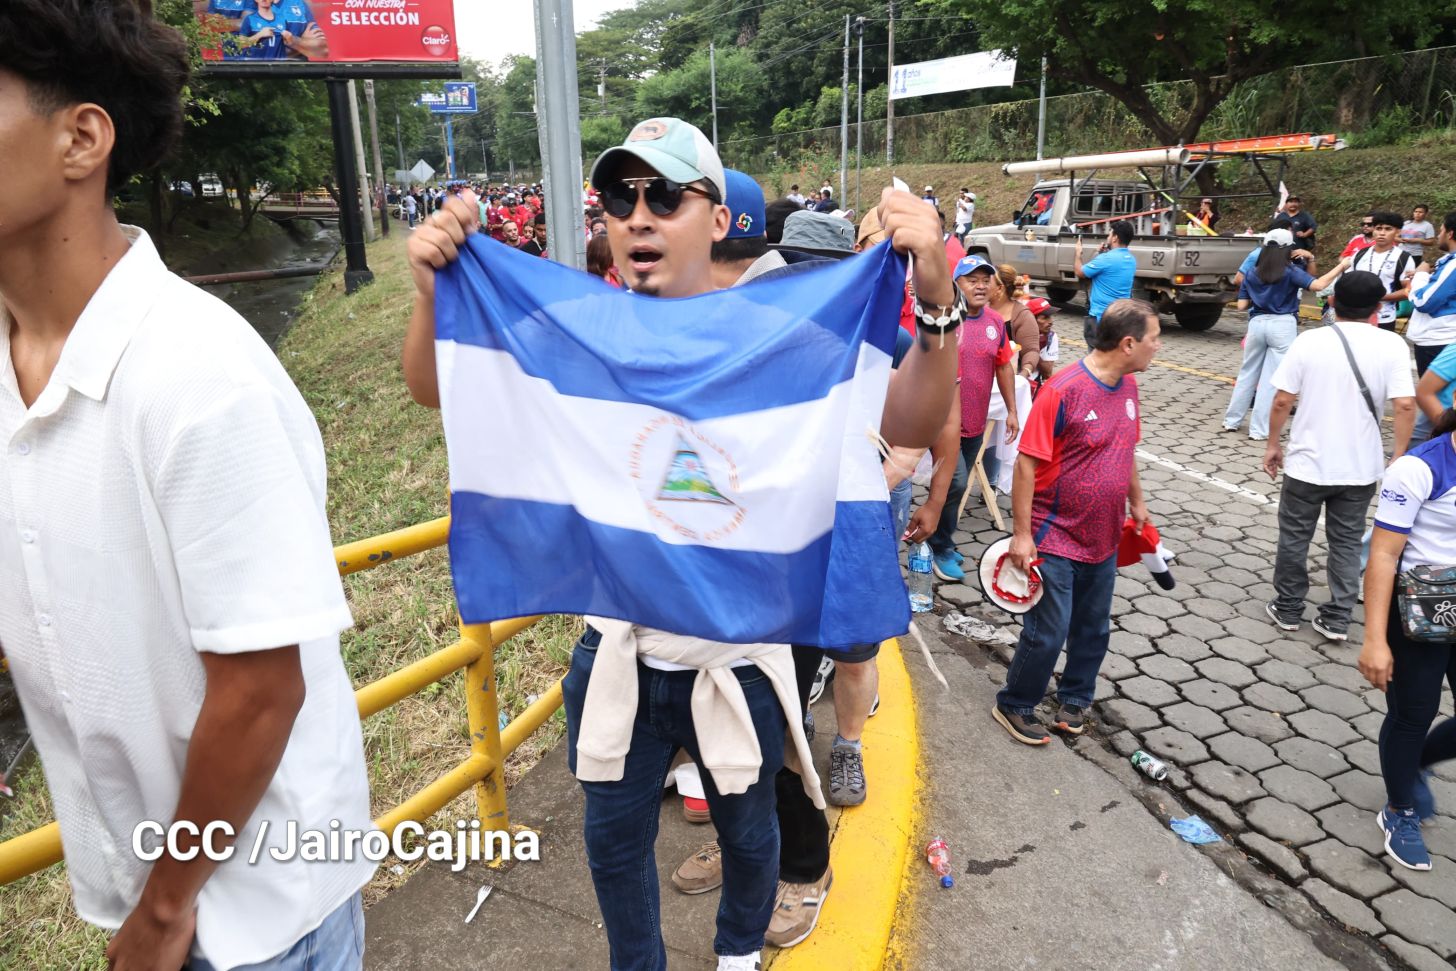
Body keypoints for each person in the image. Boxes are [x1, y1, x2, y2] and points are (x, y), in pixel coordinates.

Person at [401, 118, 958, 971]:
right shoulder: (580, 330)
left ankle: (738, 952)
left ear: (715, 216)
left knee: (751, 830)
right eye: (620, 197)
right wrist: (433, 290)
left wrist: (936, 301)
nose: (638, 215)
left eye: (664, 195)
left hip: (739, 656)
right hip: (618, 653)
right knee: (613, 846)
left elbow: (912, 421)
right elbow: (436, 389)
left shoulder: (789, 334)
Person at [0, 3, 375, 968]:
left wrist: (166, 911)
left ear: (81, 136)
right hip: (141, 889)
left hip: (252, 914)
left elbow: (259, 689)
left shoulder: (200, 375)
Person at [992, 300, 1157, 744]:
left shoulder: (1128, 388)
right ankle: (1016, 703)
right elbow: (1026, 464)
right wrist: (1022, 535)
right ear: (1127, 344)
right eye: (1153, 339)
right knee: (1048, 631)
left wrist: (1137, 503)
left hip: (1102, 536)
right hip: (1055, 533)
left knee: (1093, 627)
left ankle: (1076, 697)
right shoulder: (1063, 389)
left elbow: (1127, 450)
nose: (1156, 348)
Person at [1261, 272, 1417, 641]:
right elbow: (1406, 404)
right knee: (1346, 541)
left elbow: (1283, 399)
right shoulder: (1392, 345)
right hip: (1360, 468)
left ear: (1330, 302)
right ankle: (1337, 616)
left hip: (1306, 464)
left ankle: (1287, 607)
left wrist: (1272, 444)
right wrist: (1399, 453)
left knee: (1295, 536)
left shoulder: (1310, 341)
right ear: (1379, 307)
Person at [1359, 408, 1456, 871]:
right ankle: (1399, 810)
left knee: (1415, 737)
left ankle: (1413, 761)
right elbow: (1383, 554)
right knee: (1413, 714)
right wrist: (1375, 639)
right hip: (1420, 610)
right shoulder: (1419, 468)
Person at [918, 255, 1019, 582]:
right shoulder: (943, 321)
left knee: (955, 488)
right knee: (956, 481)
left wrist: (1013, 411)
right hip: (944, 425)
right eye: (971, 279)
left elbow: (1004, 366)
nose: (980, 285)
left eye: (985, 279)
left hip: (976, 422)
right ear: (955, 284)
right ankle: (938, 547)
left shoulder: (994, 322)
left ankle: (939, 535)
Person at [1223, 229, 1349, 439]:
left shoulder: (1253, 272)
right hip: (1282, 325)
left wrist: (1260, 296)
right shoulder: (1290, 271)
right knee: (1270, 379)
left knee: (1247, 373)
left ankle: (1231, 421)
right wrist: (1341, 266)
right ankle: (1259, 430)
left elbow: (1241, 306)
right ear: (1289, 249)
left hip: (1256, 323)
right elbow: (1318, 285)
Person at [1405, 210, 1456, 441]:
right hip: (1437, 339)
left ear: (1451, 233)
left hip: (1438, 341)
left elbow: (1424, 301)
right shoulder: (1447, 263)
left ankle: (1432, 449)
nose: (1439, 235)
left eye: (1442, 230)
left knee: (1435, 401)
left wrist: (1420, 277)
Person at [1347, 211, 1416, 331]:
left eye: (1388, 229)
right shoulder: (1360, 254)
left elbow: (1409, 290)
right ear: (1373, 230)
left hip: (1384, 318)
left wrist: (1382, 297)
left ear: (1398, 231)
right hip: (1356, 315)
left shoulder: (1403, 258)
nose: (1382, 233)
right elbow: (1349, 280)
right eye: (1378, 228)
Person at [1075, 220, 1136, 345]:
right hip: (1120, 320)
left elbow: (1080, 272)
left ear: (1115, 238)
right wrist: (1101, 254)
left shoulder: (1106, 259)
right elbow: (1109, 271)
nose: (1108, 237)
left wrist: (1078, 254)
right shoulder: (1131, 260)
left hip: (1100, 320)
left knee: (1095, 360)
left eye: (1109, 235)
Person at [1275, 196, 1318, 274]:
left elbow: (1313, 226)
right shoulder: (1281, 216)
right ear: (1286, 204)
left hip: (1300, 251)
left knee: (1301, 270)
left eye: (1295, 202)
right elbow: (1273, 228)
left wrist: (1305, 234)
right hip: (1282, 250)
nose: (1293, 204)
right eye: (1291, 202)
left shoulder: (1304, 215)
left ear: (1299, 204)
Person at [1026, 296, 1060, 381]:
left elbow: (1047, 373)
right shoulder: (1016, 334)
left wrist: (1034, 349)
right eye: (1045, 318)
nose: (1050, 322)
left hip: (1034, 381)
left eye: (1050, 317)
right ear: (1031, 319)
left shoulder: (1051, 337)